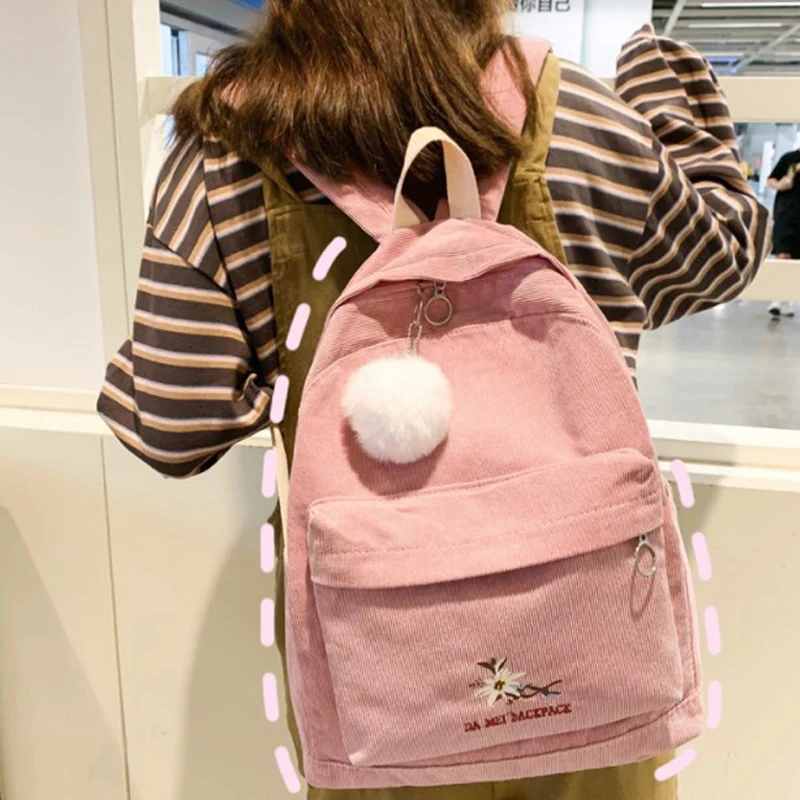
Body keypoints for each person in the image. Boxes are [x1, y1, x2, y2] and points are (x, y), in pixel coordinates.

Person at [97, 3, 769, 798]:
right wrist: (666, 81)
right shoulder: (579, 114)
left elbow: (174, 425)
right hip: (594, 665)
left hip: (379, 681)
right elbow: (720, 254)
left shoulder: (226, 149)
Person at [767, 148, 799, 318]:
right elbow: (770, 179)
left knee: (794, 261)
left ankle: (786, 298)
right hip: (785, 215)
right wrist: (781, 184)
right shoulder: (789, 158)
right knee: (782, 255)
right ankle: (777, 298)